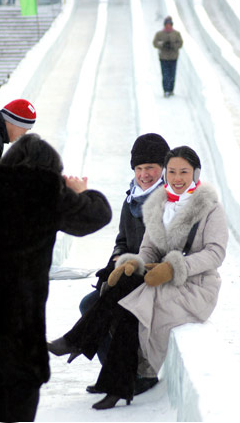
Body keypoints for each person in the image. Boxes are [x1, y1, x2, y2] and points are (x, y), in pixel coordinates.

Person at [48, 145, 228, 410]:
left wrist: (176, 268)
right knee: (123, 288)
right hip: (160, 278)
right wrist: (131, 264)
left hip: (194, 286)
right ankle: (114, 382)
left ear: (195, 173)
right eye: (173, 172)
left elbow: (215, 253)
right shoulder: (159, 204)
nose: (178, 178)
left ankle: (82, 345)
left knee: (131, 306)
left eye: (184, 172)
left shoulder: (210, 208)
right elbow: (148, 249)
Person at [0, 133, 112, 422]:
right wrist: (79, 192)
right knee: (20, 394)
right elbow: (97, 215)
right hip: (17, 325)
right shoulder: (44, 190)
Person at [77, 133, 170, 395]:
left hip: (153, 277)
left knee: (115, 308)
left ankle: (138, 375)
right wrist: (117, 258)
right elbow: (121, 239)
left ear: (162, 168)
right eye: (139, 168)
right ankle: (117, 376)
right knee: (89, 303)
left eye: (150, 167)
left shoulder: (168, 200)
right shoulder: (131, 199)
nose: (144, 174)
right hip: (128, 274)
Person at [153, 16, 183, 97]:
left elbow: (180, 43)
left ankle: (171, 89)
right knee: (165, 74)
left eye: (169, 24)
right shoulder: (159, 34)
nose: (168, 26)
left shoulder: (176, 34)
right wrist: (162, 44)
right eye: (167, 24)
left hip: (173, 57)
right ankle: (166, 90)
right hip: (164, 58)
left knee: (172, 74)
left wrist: (173, 45)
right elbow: (155, 43)